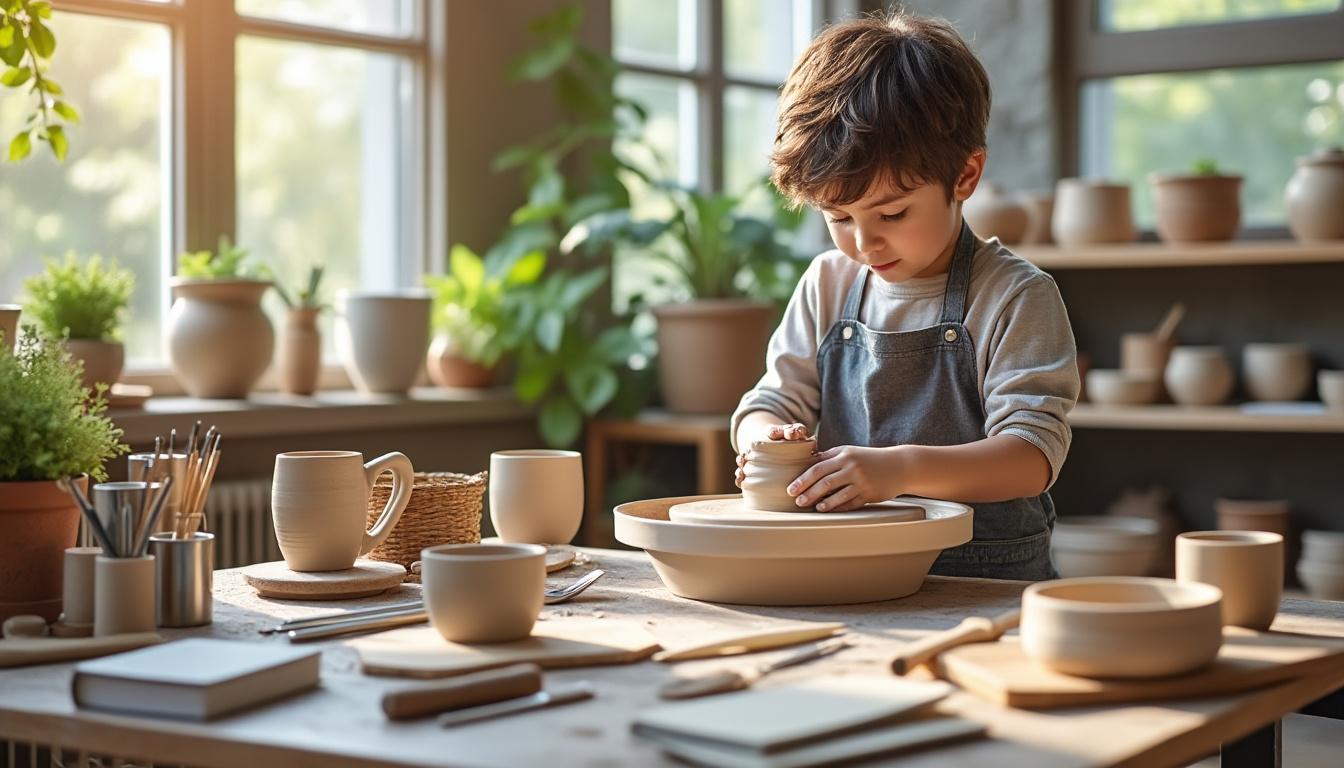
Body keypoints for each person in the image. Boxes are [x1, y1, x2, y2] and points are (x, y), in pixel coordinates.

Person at [732, 10, 1079, 580]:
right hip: (853, 573)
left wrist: (897, 470)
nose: (864, 242)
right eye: (838, 216)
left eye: (892, 213)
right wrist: (764, 439)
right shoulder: (828, 283)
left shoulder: (1016, 296)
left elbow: (1031, 457)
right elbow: (769, 402)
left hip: (985, 583)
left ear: (965, 177)